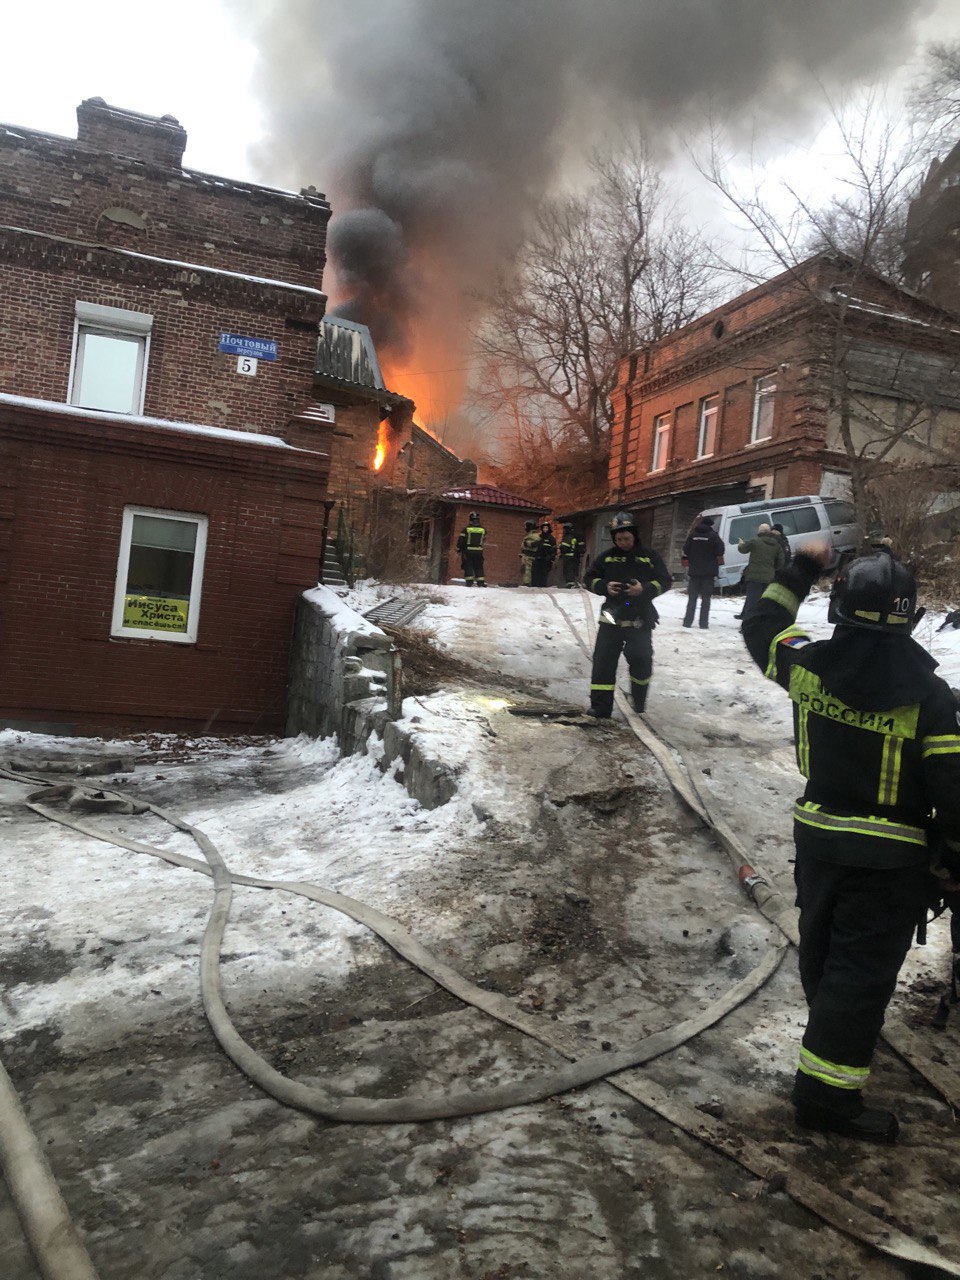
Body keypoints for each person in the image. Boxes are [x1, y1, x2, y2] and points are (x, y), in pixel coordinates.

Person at [743, 545, 960, 1142]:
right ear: (911, 617)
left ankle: (834, 1035)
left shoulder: (807, 665)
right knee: (859, 973)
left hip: (818, 840)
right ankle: (827, 1097)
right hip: (890, 860)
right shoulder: (932, 698)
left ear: (838, 607)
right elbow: (953, 791)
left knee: (823, 949)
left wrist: (801, 568)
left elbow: (762, 623)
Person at [584, 511, 672, 718]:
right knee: (603, 662)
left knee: (641, 659)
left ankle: (639, 701)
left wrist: (644, 589)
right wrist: (605, 586)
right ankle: (600, 707)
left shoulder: (649, 556)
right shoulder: (606, 557)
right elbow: (589, 578)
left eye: (627, 538)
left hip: (640, 617)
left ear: (634, 535)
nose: (623, 542)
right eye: (619, 539)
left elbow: (665, 580)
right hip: (611, 616)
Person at [681, 514, 725, 629]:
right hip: (708, 573)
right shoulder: (714, 536)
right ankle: (703, 624)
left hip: (694, 571)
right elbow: (720, 551)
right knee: (706, 599)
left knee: (692, 599)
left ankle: (687, 622)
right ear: (710, 525)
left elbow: (686, 549)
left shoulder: (693, 535)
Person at [736, 522, 785, 621]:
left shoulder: (755, 541)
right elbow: (781, 562)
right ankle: (761, 623)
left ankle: (748, 623)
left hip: (754, 577)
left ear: (759, 532)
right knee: (763, 602)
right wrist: (772, 569)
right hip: (768, 578)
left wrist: (740, 544)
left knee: (752, 601)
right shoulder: (777, 545)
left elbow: (743, 549)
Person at [456, 511, 486, 586]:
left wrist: (458, 548)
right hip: (479, 551)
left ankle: (469, 582)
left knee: (468, 565)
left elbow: (461, 540)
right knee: (479, 566)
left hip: (468, 551)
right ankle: (480, 582)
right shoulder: (483, 530)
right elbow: (484, 539)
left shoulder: (466, 529)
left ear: (470, 519)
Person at [532, 520, 556, 588]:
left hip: (546, 559)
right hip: (538, 557)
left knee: (544, 573)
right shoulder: (539, 537)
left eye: (546, 528)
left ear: (549, 529)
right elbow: (534, 545)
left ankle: (543, 585)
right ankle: (535, 585)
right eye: (544, 528)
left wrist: (552, 558)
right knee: (536, 572)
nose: (545, 529)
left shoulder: (551, 538)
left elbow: (554, 549)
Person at [519, 519, 540, 586]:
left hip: (530, 557)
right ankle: (525, 582)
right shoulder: (530, 535)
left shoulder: (535, 536)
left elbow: (536, 544)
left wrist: (527, 543)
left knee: (527, 570)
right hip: (526, 556)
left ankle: (527, 583)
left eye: (526, 526)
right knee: (524, 570)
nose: (525, 528)